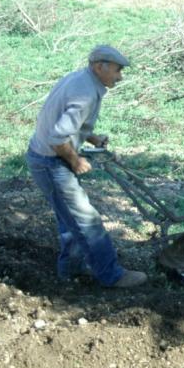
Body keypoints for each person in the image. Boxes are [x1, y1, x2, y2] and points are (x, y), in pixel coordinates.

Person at [26, 45, 147, 288]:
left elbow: (61, 120)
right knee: (86, 220)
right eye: (117, 70)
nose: (120, 76)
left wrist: (91, 138)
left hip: (42, 156)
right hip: (51, 162)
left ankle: (71, 268)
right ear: (99, 66)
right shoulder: (86, 94)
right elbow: (58, 137)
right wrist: (75, 160)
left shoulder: (78, 79)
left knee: (69, 218)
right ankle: (112, 276)